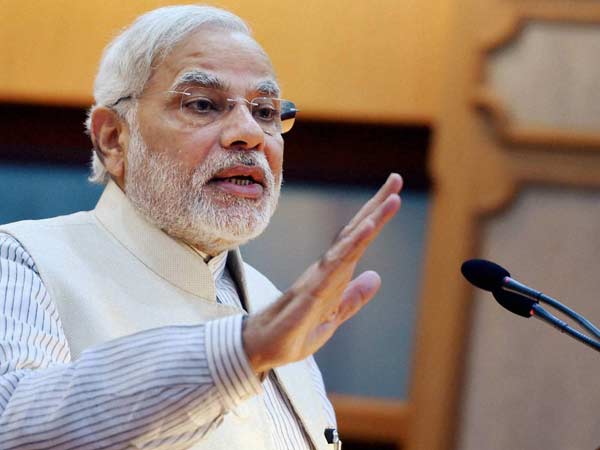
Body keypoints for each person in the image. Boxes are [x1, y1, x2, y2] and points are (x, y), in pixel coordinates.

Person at [0, 5, 402, 450]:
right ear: (113, 138)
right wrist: (241, 352)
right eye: (203, 105)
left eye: (265, 111)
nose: (249, 134)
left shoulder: (273, 304)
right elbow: (12, 424)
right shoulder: (22, 260)